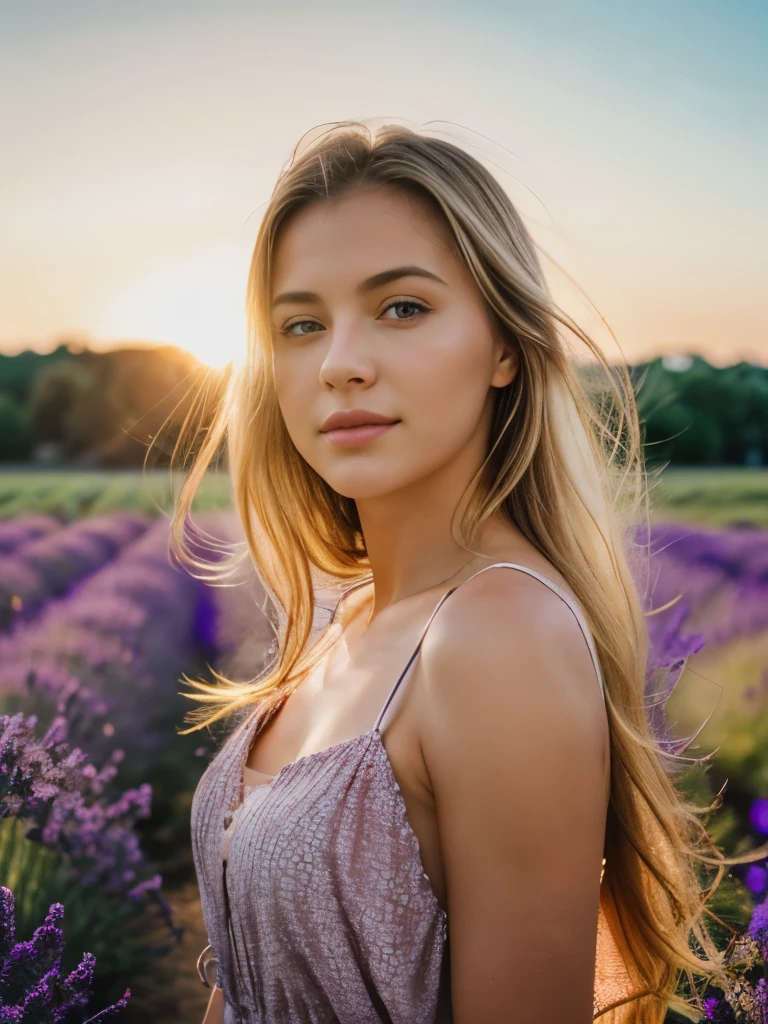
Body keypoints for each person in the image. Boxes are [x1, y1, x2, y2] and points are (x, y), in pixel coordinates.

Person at [170, 120, 752, 1023]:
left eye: (402, 307)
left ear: (506, 348)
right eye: (301, 324)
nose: (341, 364)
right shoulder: (351, 617)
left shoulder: (498, 638)